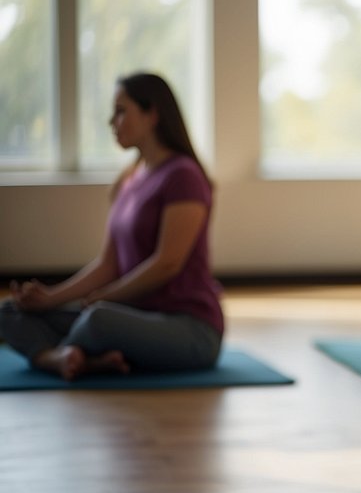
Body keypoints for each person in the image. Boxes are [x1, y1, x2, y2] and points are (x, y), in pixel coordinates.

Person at [1, 73, 223, 379]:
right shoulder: (129, 179)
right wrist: (50, 297)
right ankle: (65, 359)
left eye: (121, 111)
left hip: (189, 329)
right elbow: (109, 263)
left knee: (98, 320)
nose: (112, 121)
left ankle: (59, 355)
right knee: (11, 311)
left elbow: (167, 263)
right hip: (131, 315)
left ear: (152, 114)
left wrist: (107, 298)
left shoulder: (183, 175)